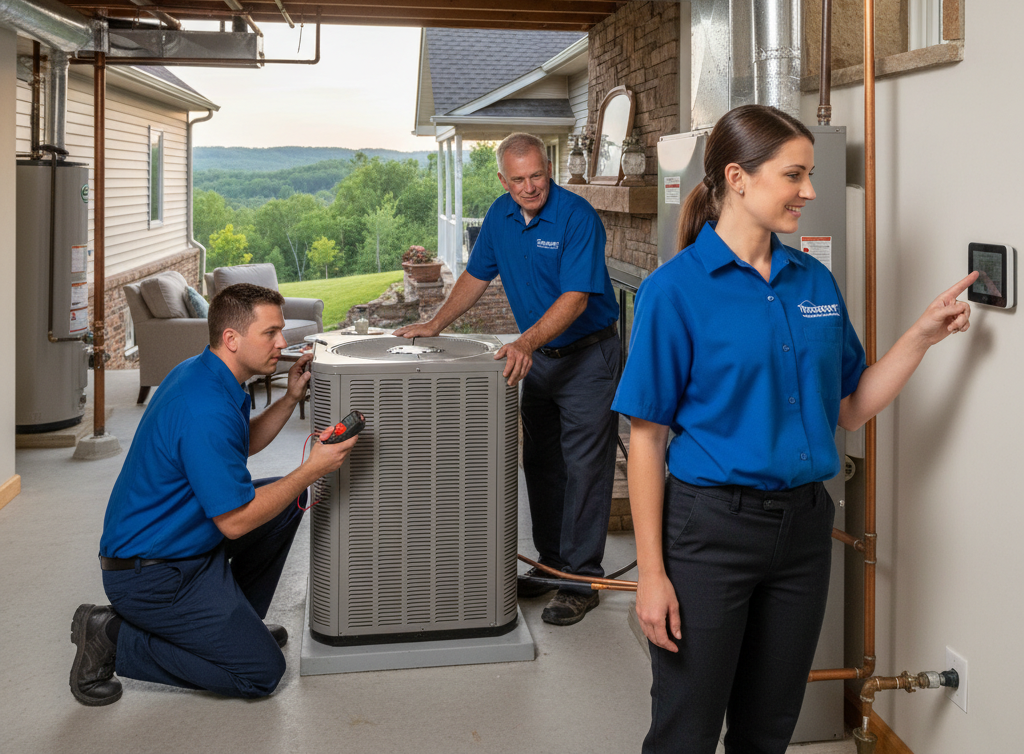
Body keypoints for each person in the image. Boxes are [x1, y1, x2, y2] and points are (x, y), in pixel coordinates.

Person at [613, 105, 976, 754]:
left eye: (810, 175)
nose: (808, 190)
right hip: (710, 532)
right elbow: (646, 439)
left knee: (768, 730)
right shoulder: (675, 291)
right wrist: (651, 573)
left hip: (805, 530)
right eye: (794, 175)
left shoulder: (814, 281)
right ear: (738, 177)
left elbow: (851, 407)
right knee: (686, 731)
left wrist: (921, 337)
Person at [69, 283, 357, 706]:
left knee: (284, 504)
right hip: (151, 575)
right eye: (271, 332)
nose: (283, 342)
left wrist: (290, 398)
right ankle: (111, 636)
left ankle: (237, 627)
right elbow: (235, 522)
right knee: (260, 673)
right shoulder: (203, 407)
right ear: (232, 338)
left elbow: (239, 443)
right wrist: (312, 469)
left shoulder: (207, 373)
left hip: (184, 543)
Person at [394, 132, 620, 626]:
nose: (529, 187)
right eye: (518, 179)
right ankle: (551, 564)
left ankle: (581, 581)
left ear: (549, 169)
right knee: (541, 462)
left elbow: (576, 298)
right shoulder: (499, 216)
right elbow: (476, 277)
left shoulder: (577, 217)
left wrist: (523, 343)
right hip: (539, 359)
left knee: (584, 468)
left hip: (587, 357)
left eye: (536, 175)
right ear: (502, 179)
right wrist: (436, 323)